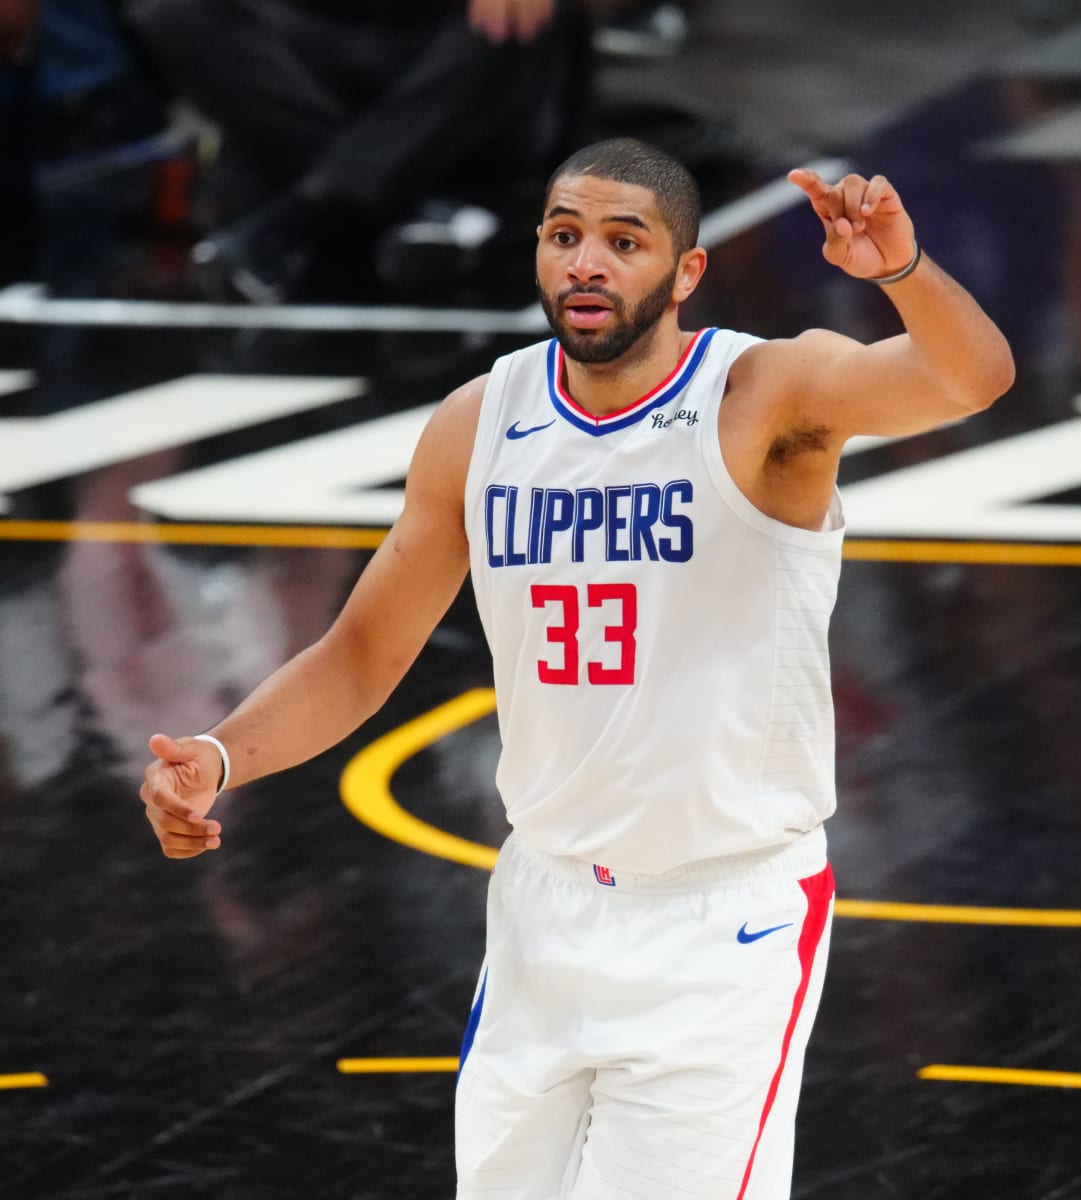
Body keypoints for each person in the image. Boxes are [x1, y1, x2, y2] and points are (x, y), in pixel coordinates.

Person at [139, 138, 1014, 1198]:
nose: (584, 263)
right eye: (563, 236)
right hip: (544, 908)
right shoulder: (481, 421)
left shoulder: (767, 395)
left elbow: (972, 379)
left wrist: (903, 275)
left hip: (722, 921)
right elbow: (362, 652)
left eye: (622, 240)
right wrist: (221, 757)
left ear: (687, 273)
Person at [126, 0, 586, 301]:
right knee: (175, 10)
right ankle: (398, 203)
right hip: (317, 49)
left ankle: (301, 217)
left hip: (455, 52)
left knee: (527, 15)